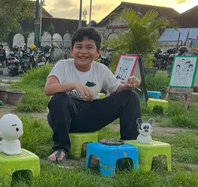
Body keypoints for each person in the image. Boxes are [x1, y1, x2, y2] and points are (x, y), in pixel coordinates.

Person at [44, 27, 141, 162]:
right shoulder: (63, 66)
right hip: (66, 118)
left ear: (97, 52)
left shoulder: (101, 69)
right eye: (79, 47)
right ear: (72, 51)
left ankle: (130, 145)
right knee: (60, 98)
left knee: (130, 96)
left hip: (91, 116)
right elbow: (48, 89)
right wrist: (74, 85)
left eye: (89, 47)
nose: (83, 52)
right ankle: (61, 148)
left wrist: (128, 85)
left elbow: (116, 89)